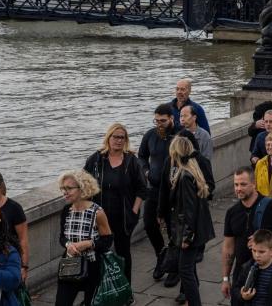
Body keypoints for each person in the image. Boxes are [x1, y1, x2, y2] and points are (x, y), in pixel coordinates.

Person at [84, 122, 147, 290]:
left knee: (123, 253)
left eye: (122, 137)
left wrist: (134, 210)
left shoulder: (131, 161)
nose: (118, 141)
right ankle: (97, 291)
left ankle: (125, 290)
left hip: (123, 216)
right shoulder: (97, 159)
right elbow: (84, 182)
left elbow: (142, 188)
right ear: (108, 138)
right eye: (115, 137)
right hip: (99, 216)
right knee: (97, 254)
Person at [221, 169, 272, 303]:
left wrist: (265, 243)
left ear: (254, 184)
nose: (238, 189)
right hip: (242, 274)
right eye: (236, 185)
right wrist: (225, 279)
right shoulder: (232, 212)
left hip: (268, 274)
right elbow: (228, 248)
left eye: (243, 184)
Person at [161, 136, 215, 306]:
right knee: (188, 267)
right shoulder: (192, 170)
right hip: (198, 230)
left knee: (185, 271)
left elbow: (188, 211)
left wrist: (187, 237)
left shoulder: (184, 177)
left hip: (190, 233)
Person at [54, 170, 113, 306]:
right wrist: (69, 245)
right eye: (63, 188)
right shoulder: (66, 211)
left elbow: (107, 241)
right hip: (70, 264)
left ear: (83, 188)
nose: (65, 192)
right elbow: (62, 238)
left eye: (69, 188)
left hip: (93, 267)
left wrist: (88, 244)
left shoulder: (97, 213)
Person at [138, 103, 177, 284]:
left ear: (171, 119)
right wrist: (145, 171)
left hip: (173, 191)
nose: (159, 124)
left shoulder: (180, 136)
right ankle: (161, 254)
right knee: (149, 224)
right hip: (153, 189)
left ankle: (175, 267)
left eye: (163, 121)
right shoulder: (150, 135)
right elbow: (141, 156)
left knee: (172, 228)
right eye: (156, 120)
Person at [232, 230, 272, 306]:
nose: (257, 255)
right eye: (254, 250)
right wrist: (243, 296)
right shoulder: (247, 267)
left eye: (261, 252)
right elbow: (236, 288)